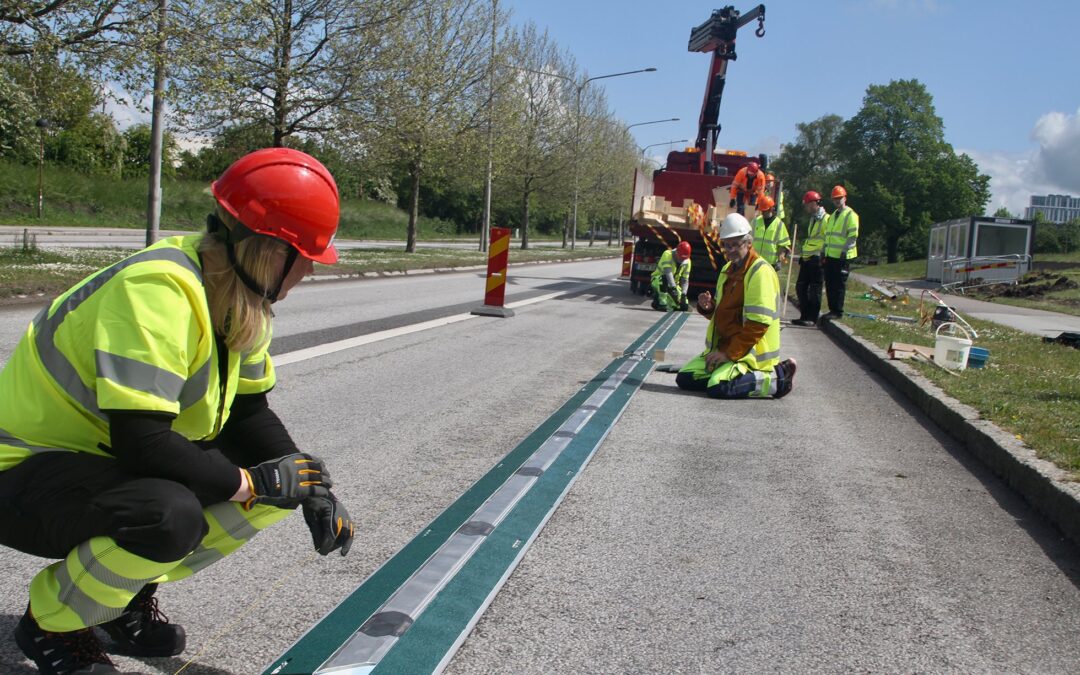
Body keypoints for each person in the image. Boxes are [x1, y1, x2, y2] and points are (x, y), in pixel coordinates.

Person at [0, 147, 357, 675]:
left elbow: (247, 412)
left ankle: (112, 602)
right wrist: (250, 484)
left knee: (279, 481)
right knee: (168, 514)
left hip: (92, 462)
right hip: (22, 473)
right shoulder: (158, 290)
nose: (308, 271)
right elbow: (142, 442)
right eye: (306, 257)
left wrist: (311, 486)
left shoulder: (236, 294)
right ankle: (52, 623)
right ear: (271, 252)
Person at [676, 213, 797, 399]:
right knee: (685, 379)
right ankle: (730, 374)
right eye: (726, 245)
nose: (730, 250)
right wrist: (708, 307)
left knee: (719, 388)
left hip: (750, 354)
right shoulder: (727, 270)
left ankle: (778, 378)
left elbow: (758, 325)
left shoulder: (760, 272)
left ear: (749, 243)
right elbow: (724, 314)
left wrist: (729, 354)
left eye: (736, 244)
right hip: (727, 347)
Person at [792, 190, 829, 327]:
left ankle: (812, 318)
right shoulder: (813, 219)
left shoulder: (826, 219)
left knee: (815, 289)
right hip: (808, 258)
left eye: (807, 205)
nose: (806, 208)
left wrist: (823, 257)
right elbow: (811, 239)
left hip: (817, 259)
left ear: (814, 203)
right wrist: (803, 256)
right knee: (801, 287)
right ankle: (804, 315)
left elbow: (827, 240)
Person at [822, 184, 860, 320]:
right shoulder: (833, 216)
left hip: (842, 256)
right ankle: (832, 309)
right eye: (835, 199)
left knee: (838, 285)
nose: (837, 201)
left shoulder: (850, 215)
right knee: (830, 283)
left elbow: (852, 235)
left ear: (845, 198)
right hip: (831, 255)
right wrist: (824, 250)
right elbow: (828, 235)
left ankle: (838, 311)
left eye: (839, 198)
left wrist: (845, 250)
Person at [750, 194, 791, 271]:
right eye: (762, 210)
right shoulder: (755, 221)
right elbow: (748, 241)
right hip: (754, 261)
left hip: (770, 264)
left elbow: (783, 246)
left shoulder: (779, 224)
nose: (762, 212)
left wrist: (779, 261)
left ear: (771, 209)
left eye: (764, 210)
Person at [651, 240, 692, 311]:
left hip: (674, 284)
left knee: (683, 306)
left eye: (684, 258)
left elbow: (685, 280)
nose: (682, 260)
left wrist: (683, 294)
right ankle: (661, 303)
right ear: (676, 253)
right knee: (664, 279)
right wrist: (673, 289)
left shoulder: (688, 262)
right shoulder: (667, 254)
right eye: (681, 258)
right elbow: (668, 273)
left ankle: (665, 303)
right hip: (658, 280)